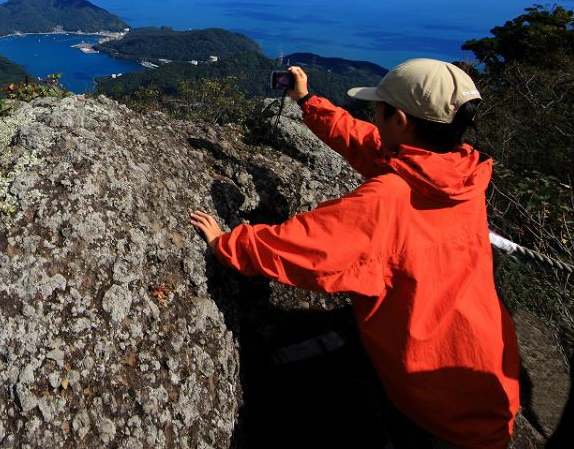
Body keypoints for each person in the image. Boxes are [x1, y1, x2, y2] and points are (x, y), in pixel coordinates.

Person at [190, 59, 521, 449]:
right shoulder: (461, 174)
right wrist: (307, 101)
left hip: (437, 403)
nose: (372, 117)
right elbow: (364, 141)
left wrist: (226, 243)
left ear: (399, 120)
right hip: (490, 371)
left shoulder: (387, 201)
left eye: (378, 110)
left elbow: (303, 246)